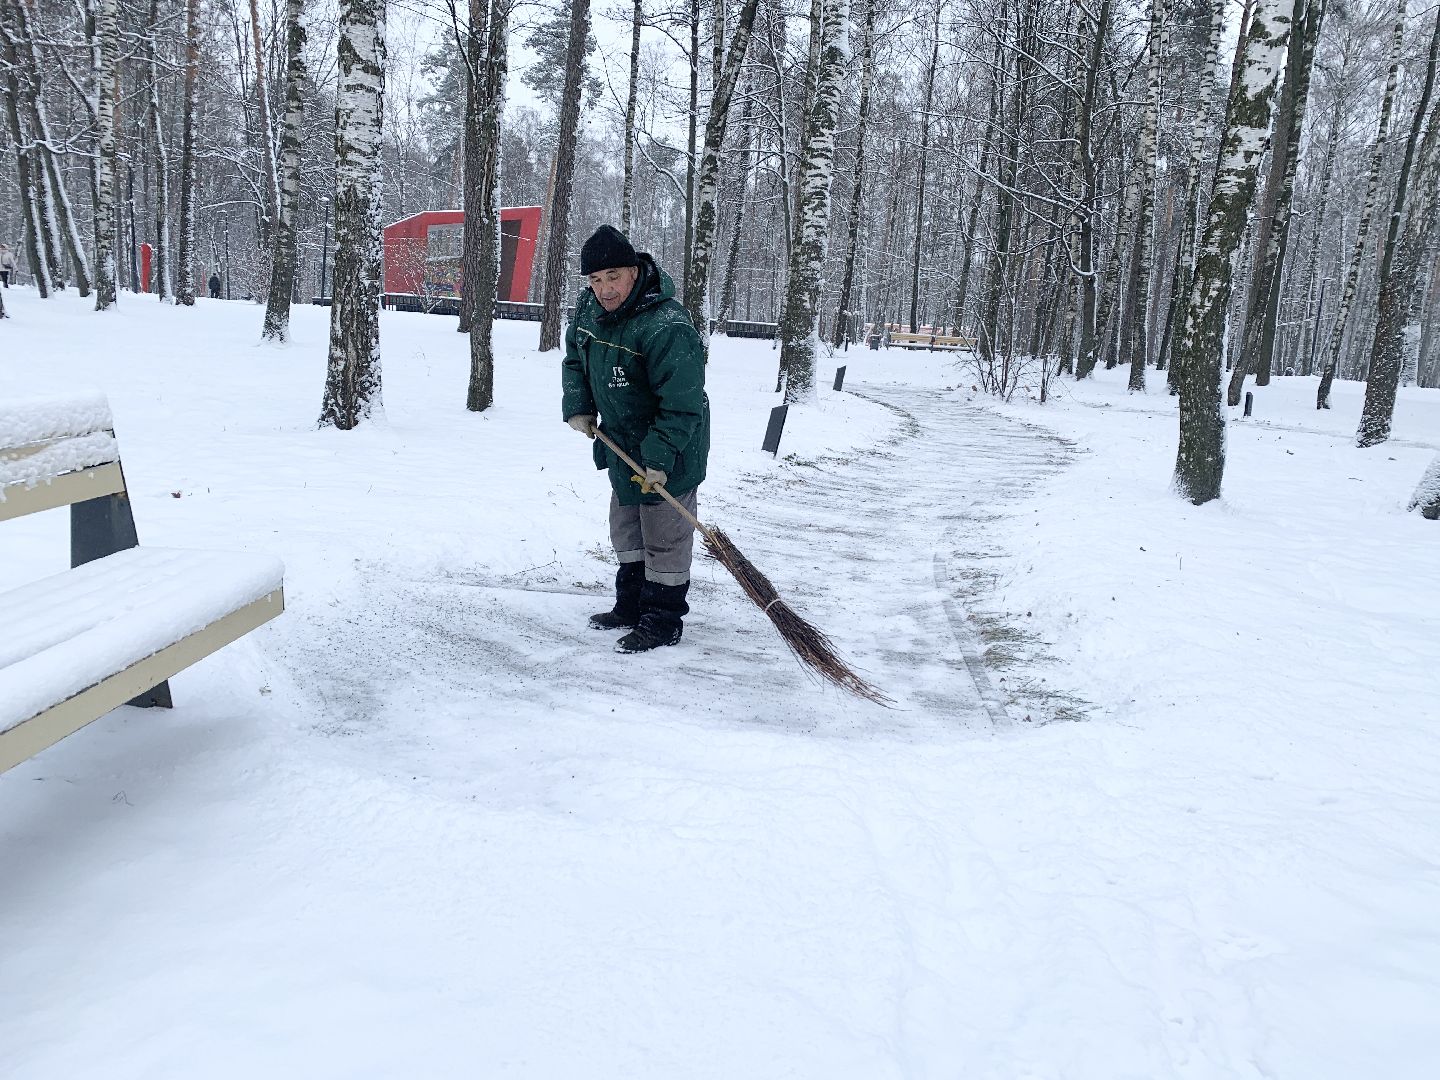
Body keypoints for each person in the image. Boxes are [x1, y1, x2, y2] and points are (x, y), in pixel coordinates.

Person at [561, 224, 709, 653]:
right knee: (626, 527)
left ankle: (662, 620)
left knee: (664, 533)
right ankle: (630, 605)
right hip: (621, 441)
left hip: (672, 444)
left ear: (634, 271)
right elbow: (575, 360)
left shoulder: (668, 325)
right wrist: (579, 405)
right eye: (595, 279)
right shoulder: (589, 310)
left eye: (613, 277)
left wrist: (660, 458)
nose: (604, 289)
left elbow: (682, 402)